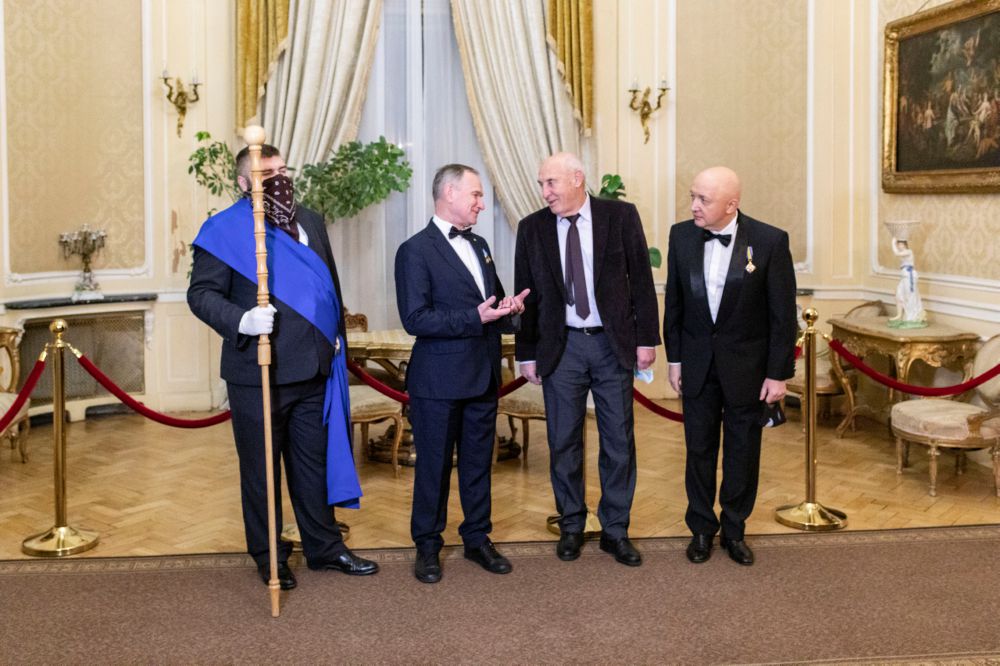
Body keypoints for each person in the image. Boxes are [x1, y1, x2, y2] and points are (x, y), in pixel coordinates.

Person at [188, 144, 378, 590]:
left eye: (283, 170)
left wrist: (336, 340)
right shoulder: (223, 230)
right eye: (266, 173)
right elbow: (201, 295)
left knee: (313, 467)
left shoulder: (310, 220)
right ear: (243, 183)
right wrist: (243, 320)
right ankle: (269, 556)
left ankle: (325, 548)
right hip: (259, 374)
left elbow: (328, 288)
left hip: (314, 369)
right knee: (261, 472)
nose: (279, 179)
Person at [514, 152, 660, 567]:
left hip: (612, 345)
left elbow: (641, 281)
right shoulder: (532, 228)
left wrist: (647, 340)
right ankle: (572, 525)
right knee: (563, 441)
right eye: (542, 184)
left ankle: (616, 530)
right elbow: (525, 295)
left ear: (577, 179)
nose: (545, 192)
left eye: (551, 183)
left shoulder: (620, 216)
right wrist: (526, 353)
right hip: (561, 348)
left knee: (618, 440)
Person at [394, 163, 529, 584]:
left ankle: (477, 538)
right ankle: (427, 545)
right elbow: (415, 319)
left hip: (482, 376)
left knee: (477, 465)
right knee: (433, 467)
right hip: (437, 381)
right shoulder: (414, 250)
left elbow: (491, 305)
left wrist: (510, 311)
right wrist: (475, 317)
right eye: (476, 194)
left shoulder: (481, 245)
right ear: (449, 193)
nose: (481, 204)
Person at [663, 166, 796, 567]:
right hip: (697, 365)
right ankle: (701, 529)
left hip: (748, 371)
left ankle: (734, 529)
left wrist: (778, 373)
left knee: (742, 452)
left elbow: (782, 315)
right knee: (698, 450)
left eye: (703, 199)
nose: (693, 206)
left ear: (731, 204)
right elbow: (674, 304)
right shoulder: (681, 236)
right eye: (692, 196)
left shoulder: (770, 241)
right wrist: (675, 359)